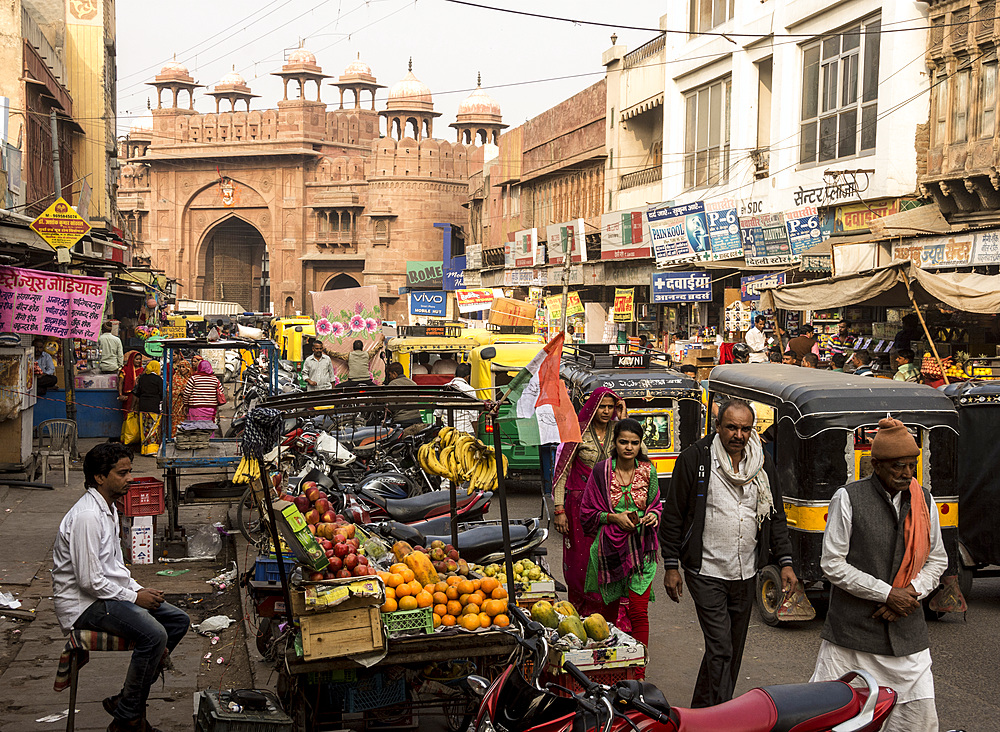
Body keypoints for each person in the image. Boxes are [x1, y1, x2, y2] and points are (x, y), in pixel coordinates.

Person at [809, 418, 947, 732]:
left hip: (908, 641)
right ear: (876, 465)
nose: (907, 473)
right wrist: (886, 594)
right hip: (851, 642)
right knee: (837, 719)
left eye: (911, 466)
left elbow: (937, 559)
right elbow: (832, 564)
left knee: (918, 723)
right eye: (898, 466)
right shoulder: (848, 498)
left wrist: (911, 592)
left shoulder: (924, 501)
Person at [660, 400, 796, 708]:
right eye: (731, 427)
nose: (738, 435)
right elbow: (674, 515)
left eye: (745, 429)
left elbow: (776, 515)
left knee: (730, 650)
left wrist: (785, 562)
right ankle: (723, 716)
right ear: (718, 426)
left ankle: (702, 713)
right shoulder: (696, 459)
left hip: (746, 571)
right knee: (721, 648)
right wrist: (671, 566)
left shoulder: (761, 463)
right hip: (705, 570)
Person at [52, 442, 190, 731]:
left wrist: (139, 590)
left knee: (178, 620)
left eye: (130, 471)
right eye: (122, 473)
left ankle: (127, 701)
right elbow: (89, 581)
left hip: (104, 595)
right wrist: (133, 597)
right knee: (154, 634)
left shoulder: (109, 509)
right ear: (100, 477)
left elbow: (114, 567)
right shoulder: (87, 516)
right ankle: (129, 717)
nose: (130, 478)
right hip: (83, 605)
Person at [580, 418, 661, 663]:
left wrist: (653, 516)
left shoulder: (649, 471)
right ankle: (611, 666)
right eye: (623, 442)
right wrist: (613, 518)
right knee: (607, 613)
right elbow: (586, 513)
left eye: (634, 443)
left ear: (640, 445)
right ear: (615, 443)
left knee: (639, 612)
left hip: (641, 552)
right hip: (609, 551)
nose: (629, 447)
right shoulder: (601, 471)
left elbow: (656, 505)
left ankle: (638, 671)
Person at [552, 387, 627, 616]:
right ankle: (581, 611)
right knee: (581, 561)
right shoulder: (578, 432)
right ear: (592, 407)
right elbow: (562, 472)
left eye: (610, 407)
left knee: (610, 559)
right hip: (580, 508)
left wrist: (625, 421)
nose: (606, 411)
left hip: (612, 508)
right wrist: (559, 509)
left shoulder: (620, 431)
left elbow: (639, 456)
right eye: (601, 406)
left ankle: (609, 614)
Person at [435, 363, 478, 434]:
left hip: (448, 432)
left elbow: (438, 415)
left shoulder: (444, 388)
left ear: (454, 375)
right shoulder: (470, 390)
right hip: (466, 432)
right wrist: (475, 436)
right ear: (467, 377)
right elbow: (473, 418)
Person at [133, 361, 163, 455]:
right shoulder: (158, 379)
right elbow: (162, 393)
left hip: (143, 405)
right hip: (153, 405)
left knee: (144, 427)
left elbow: (137, 392)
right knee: (154, 427)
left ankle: (144, 449)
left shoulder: (142, 378)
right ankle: (152, 449)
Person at [385, 362, 421, 426]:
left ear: (394, 374)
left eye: (389, 375)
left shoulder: (393, 384)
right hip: (417, 418)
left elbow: (391, 405)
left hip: (402, 420)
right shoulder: (413, 383)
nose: (389, 377)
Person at [169, 357, 192, 437]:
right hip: (177, 406)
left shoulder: (191, 379)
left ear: (188, 368)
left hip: (188, 406)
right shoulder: (175, 378)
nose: (182, 369)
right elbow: (169, 390)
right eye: (180, 367)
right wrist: (179, 392)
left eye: (184, 367)